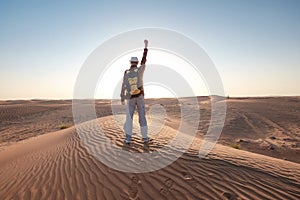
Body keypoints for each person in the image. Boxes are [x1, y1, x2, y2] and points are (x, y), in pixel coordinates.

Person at [120, 39, 149, 145]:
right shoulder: (140, 70)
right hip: (140, 97)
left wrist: (122, 97)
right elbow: (144, 59)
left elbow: (123, 85)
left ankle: (128, 139)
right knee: (142, 116)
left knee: (129, 118)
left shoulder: (126, 72)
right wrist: (146, 46)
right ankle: (145, 138)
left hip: (130, 98)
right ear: (137, 63)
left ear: (130, 63)